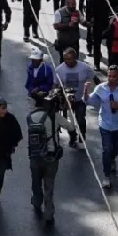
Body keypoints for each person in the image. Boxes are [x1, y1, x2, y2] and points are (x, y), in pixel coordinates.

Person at [88, 65, 118, 188]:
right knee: (106, 149)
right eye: (109, 76)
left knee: (117, 148)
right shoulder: (100, 88)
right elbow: (90, 101)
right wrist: (85, 93)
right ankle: (106, 175)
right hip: (104, 124)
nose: (111, 78)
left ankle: (112, 158)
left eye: (114, 76)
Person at [28, 90, 67, 227]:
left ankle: (37, 202)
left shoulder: (30, 117)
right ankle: (49, 214)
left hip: (35, 157)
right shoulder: (54, 116)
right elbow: (72, 127)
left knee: (36, 183)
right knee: (49, 186)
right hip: (51, 157)